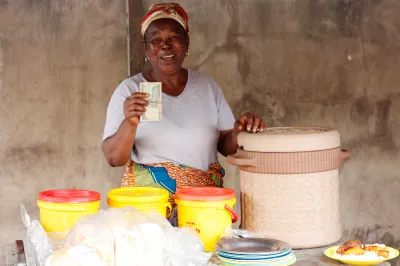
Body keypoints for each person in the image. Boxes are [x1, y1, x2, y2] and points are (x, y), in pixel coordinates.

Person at [101, 3, 266, 223]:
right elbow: (113, 158)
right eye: (156, 40)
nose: (165, 47)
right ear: (146, 48)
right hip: (151, 214)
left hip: (202, 209)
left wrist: (239, 130)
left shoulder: (207, 87)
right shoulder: (130, 91)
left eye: (174, 38)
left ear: (186, 43)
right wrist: (130, 122)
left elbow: (226, 145)